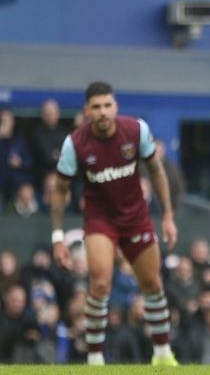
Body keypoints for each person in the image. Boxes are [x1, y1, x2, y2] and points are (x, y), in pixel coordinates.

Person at [50, 81, 179, 366]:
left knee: (152, 283)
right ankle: (95, 359)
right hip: (100, 221)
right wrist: (57, 236)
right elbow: (59, 190)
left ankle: (163, 354)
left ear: (116, 106)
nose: (103, 112)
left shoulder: (136, 130)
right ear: (87, 111)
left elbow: (156, 171)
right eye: (96, 107)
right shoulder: (75, 144)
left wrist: (167, 215)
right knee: (99, 285)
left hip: (137, 218)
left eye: (107, 105)